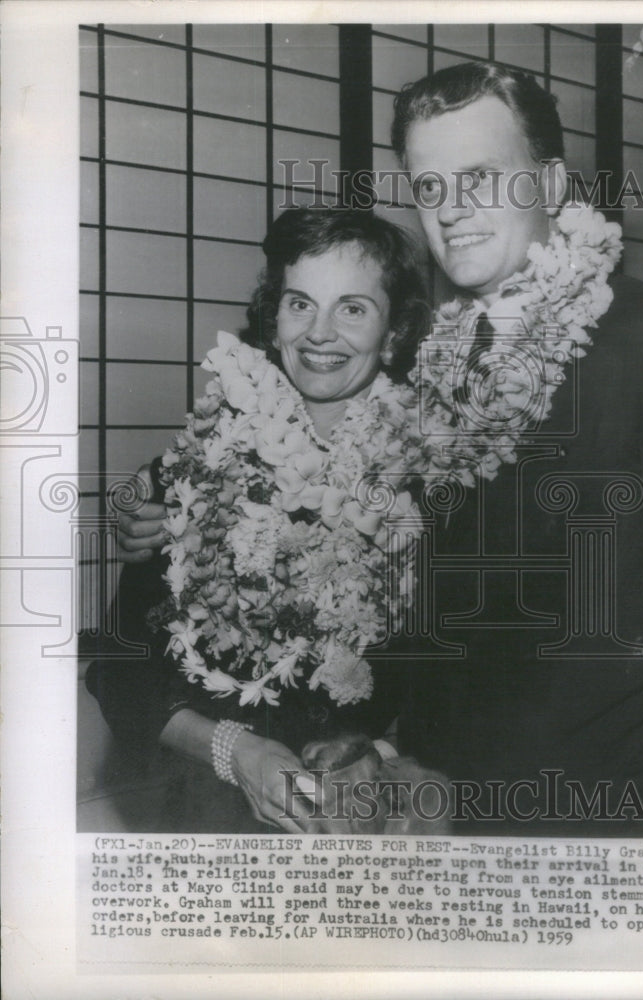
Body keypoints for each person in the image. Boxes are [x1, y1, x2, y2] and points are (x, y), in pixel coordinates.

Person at [111, 61, 643, 836]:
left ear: (548, 185)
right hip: (435, 805)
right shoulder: (427, 369)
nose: (452, 210)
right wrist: (136, 509)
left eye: (481, 177)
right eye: (431, 186)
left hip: (606, 814)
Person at [87, 207, 432, 832]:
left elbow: (465, 680)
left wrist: (377, 752)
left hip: (371, 821)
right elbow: (121, 672)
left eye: (352, 309)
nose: (319, 333)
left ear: (394, 334)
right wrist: (236, 751)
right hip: (211, 816)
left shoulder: (435, 485)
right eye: (300, 304)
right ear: (273, 320)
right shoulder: (193, 472)